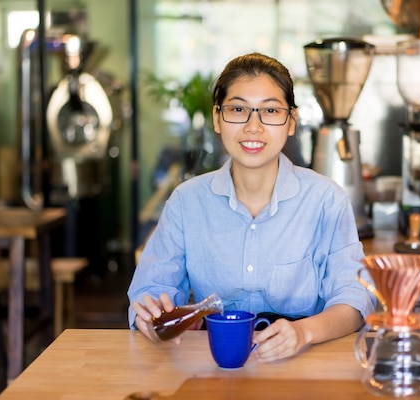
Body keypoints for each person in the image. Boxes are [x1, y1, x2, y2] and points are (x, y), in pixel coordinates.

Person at [128, 52, 375, 363]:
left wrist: (304, 333)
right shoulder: (186, 201)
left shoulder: (325, 200)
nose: (253, 126)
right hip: (214, 364)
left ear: (291, 122)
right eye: (238, 109)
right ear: (217, 118)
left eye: (270, 110)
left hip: (304, 363)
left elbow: (354, 299)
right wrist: (150, 314)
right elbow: (152, 291)